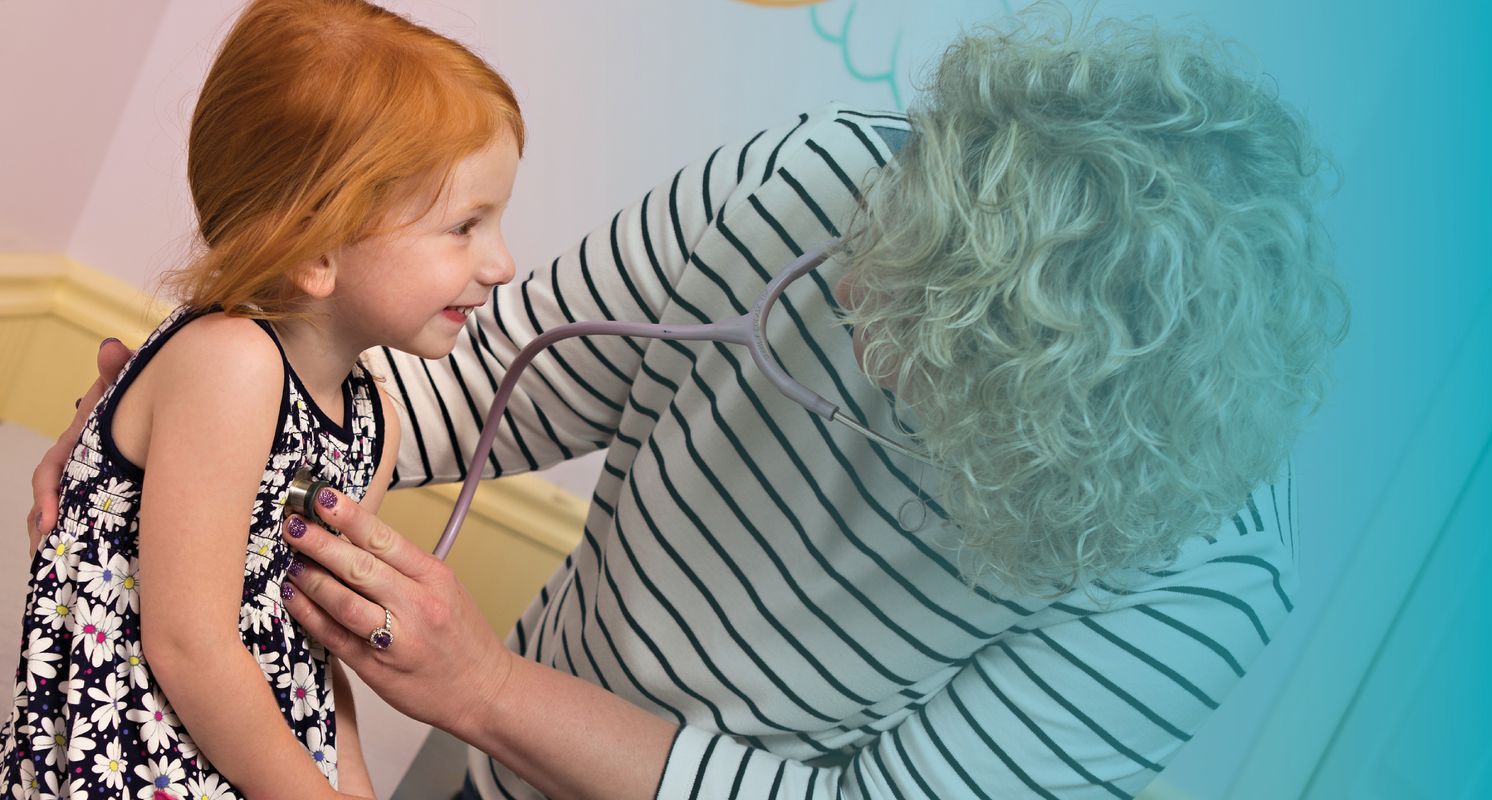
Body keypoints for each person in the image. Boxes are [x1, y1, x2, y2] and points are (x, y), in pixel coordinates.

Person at [30, 7, 1345, 798]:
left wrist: (487, 688)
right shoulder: (831, 187)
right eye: (884, 300)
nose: (862, 366)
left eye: (939, 394)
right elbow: (481, 379)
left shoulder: (1206, 570)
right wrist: (189, 442)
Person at [8, 1, 525, 797]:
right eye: (465, 227)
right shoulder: (230, 367)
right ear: (317, 249)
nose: (502, 263)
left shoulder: (372, 422)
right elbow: (188, 644)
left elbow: (313, 636)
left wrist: (352, 785)